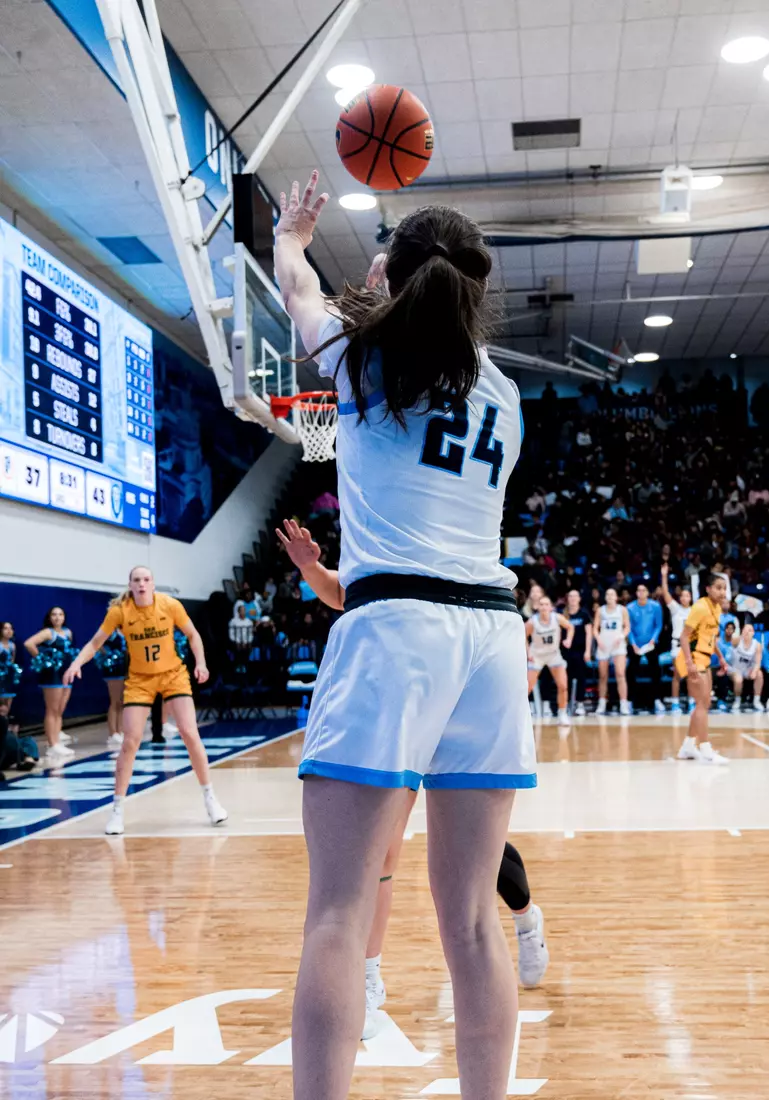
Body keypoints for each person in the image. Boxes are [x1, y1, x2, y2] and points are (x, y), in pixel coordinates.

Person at [274, 171, 537, 1100]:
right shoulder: (505, 397)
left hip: (397, 631)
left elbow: (299, 290)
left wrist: (296, 236)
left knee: (339, 914)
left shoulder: (361, 357)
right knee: (471, 920)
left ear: (390, 271)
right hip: (494, 643)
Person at [278, 518, 549, 1040]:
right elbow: (343, 594)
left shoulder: (457, 542)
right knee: (382, 852)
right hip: (402, 680)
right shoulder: (383, 542)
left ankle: (525, 916)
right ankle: (369, 981)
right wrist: (311, 568)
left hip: (465, 665)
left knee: (479, 860)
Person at [62, 566, 227, 835]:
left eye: (146, 579)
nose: (141, 584)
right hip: (140, 679)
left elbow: (193, 635)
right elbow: (95, 643)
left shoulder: (169, 605)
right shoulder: (120, 611)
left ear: (153, 584)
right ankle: (117, 810)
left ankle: (210, 798)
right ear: (130, 585)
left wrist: (201, 663)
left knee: (189, 732)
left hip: (173, 675)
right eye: (136, 580)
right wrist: (76, 663)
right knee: (130, 742)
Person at [675, 572, 730, 765]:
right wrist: (689, 664)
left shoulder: (717, 608)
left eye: (724, 588)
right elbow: (683, 637)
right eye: (718, 588)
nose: (722, 592)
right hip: (691, 657)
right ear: (708, 589)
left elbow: (711, 638)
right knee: (701, 704)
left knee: (704, 703)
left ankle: (688, 747)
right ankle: (705, 749)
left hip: (705, 658)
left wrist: (721, 658)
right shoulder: (700, 607)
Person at [24, 608, 78, 764]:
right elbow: (29, 643)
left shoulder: (68, 632)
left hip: (65, 673)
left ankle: (57, 741)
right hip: (52, 674)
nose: (57, 617)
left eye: (61, 614)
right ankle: (52, 743)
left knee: (59, 710)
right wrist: (43, 660)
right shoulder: (48, 632)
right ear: (49, 617)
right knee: (52, 709)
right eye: (54, 615)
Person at [526, 596, 575, 726]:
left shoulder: (557, 618)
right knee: (527, 687)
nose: (543, 607)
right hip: (537, 656)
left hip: (553, 654)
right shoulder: (532, 621)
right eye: (541, 604)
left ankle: (562, 714)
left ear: (551, 607)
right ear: (538, 607)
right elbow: (523, 636)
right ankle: (521, 715)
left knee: (563, 686)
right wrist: (528, 651)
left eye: (546, 604)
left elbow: (570, 627)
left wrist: (568, 639)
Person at [627, 583, 665, 714]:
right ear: (636, 593)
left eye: (644, 590)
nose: (641, 592)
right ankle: (629, 701)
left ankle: (657, 699)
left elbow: (658, 625)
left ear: (648, 593)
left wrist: (652, 640)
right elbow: (628, 628)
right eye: (639, 590)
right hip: (635, 644)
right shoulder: (630, 608)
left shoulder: (655, 606)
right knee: (631, 670)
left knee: (655, 670)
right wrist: (633, 644)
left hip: (651, 643)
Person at [660, 564, 692, 714]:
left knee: (692, 675)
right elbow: (665, 592)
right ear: (680, 598)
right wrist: (664, 576)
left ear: (690, 598)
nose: (685, 597)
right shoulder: (675, 609)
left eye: (687, 595)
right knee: (677, 675)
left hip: (690, 647)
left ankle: (691, 702)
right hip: (677, 645)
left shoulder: (694, 611)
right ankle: (675, 703)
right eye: (683, 595)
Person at [593, 589, 631, 716]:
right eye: (607, 594)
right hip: (604, 644)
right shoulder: (600, 610)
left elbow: (627, 627)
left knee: (620, 674)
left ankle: (624, 704)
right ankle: (602, 703)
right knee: (603, 676)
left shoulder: (622, 610)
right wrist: (598, 640)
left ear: (616, 597)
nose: (609, 596)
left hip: (618, 644)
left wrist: (621, 637)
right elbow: (595, 629)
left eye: (612, 594)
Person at [93, 628, 128, 748]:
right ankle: (113, 733)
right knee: (115, 701)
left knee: (123, 701)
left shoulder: (126, 628)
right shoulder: (110, 629)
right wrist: (108, 655)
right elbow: (96, 643)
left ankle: (121, 730)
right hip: (113, 668)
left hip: (126, 667)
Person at [561, 589, 592, 717]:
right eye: (571, 596)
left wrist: (588, 651)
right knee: (565, 678)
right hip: (565, 652)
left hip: (580, 651)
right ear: (568, 599)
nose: (573, 598)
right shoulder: (563, 614)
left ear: (579, 599)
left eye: (575, 596)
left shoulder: (584, 614)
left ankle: (579, 703)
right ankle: (567, 703)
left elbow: (589, 634)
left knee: (580, 677)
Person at [730, 623, 764, 712]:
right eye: (745, 630)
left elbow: (758, 662)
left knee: (759, 674)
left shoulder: (757, 645)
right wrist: (741, 635)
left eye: (749, 630)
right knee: (738, 680)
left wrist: (754, 671)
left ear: (753, 632)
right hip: (735, 668)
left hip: (748, 669)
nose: (747, 632)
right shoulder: (737, 640)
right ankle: (737, 700)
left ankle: (756, 701)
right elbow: (733, 641)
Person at [0, 621, 21, 710]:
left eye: (11, 628)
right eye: (5, 628)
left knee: (7, 706)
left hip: (9, 678)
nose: (9, 631)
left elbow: (12, 661)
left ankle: (5, 721)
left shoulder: (12, 645)